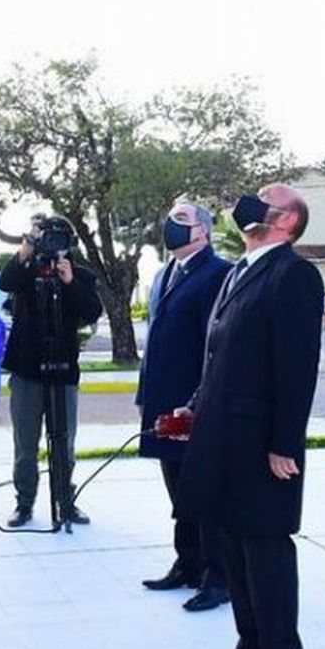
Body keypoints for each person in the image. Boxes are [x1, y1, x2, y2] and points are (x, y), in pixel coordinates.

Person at [173, 183, 323, 649]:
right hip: (221, 434)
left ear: (287, 222)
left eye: (266, 201)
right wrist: (195, 404)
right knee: (233, 546)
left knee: (265, 550)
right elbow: (219, 355)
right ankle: (249, 645)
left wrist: (285, 442)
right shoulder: (240, 270)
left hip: (262, 443)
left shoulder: (295, 274)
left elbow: (298, 367)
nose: (251, 206)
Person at [135, 201, 231, 611]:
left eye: (181, 220)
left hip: (196, 403)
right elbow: (157, 337)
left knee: (204, 490)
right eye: (169, 216)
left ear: (202, 232)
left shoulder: (218, 273)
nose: (169, 225)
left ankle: (218, 575)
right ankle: (187, 562)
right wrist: (145, 394)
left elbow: (217, 345)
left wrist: (201, 401)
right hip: (162, 398)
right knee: (177, 488)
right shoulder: (163, 274)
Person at [0, 216, 104, 527]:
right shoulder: (26, 271)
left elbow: (91, 311)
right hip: (26, 370)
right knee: (25, 445)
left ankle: (65, 501)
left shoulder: (81, 275)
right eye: (48, 238)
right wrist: (27, 248)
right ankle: (24, 503)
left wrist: (69, 281)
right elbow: (5, 282)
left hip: (64, 371)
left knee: (64, 443)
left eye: (60, 239)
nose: (54, 245)